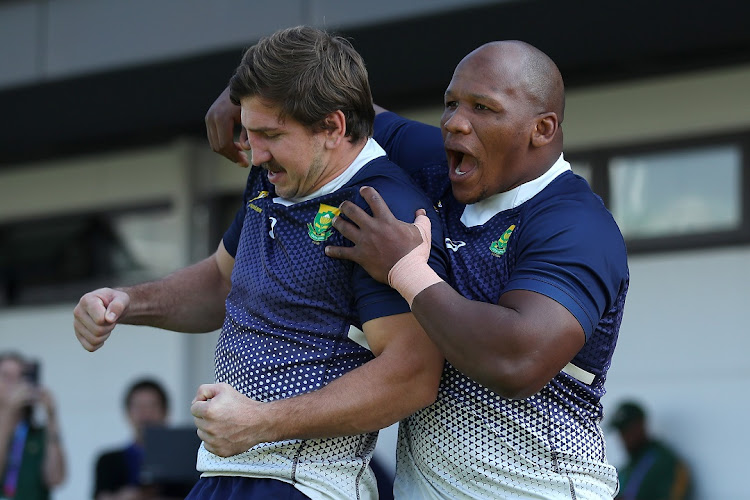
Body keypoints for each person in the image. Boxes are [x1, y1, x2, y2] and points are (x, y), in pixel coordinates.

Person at [205, 39, 630, 498]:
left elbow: (515, 361)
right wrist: (250, 97)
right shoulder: (447, 167)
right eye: (451, 104)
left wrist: (406, 273)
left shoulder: (577, 225)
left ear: (541, 129)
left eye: (484, 107)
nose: (455, 123)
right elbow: (332, 105)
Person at [74, 26, 447, 500]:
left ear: (332, 127)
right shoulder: (277, 175)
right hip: (222, 473)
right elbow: (219, 282)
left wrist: (261, 422)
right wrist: (125, 301)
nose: (255, 152)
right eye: (249, 132)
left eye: (270, 135)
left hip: (303, 484)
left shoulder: (378, 209)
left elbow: (412, 376)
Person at [93, 378, 188, 500]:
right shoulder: (108, 461)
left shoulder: (183, 460)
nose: (146, 413)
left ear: (165, 412)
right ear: (128, 413)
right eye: (139, 406)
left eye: (152, 406)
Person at [0, 352, 66, 500]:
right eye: (6, 376)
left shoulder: (39, 433)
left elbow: (56, 479)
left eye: (20, 377)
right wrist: (8, 415)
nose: (15, 383)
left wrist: (51, 416)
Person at [609, 401, 692, 500]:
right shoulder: (624, 470)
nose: (624, 437)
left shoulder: (666, 463)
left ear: (641, 424)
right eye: (620, 431)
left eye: (627, 429)